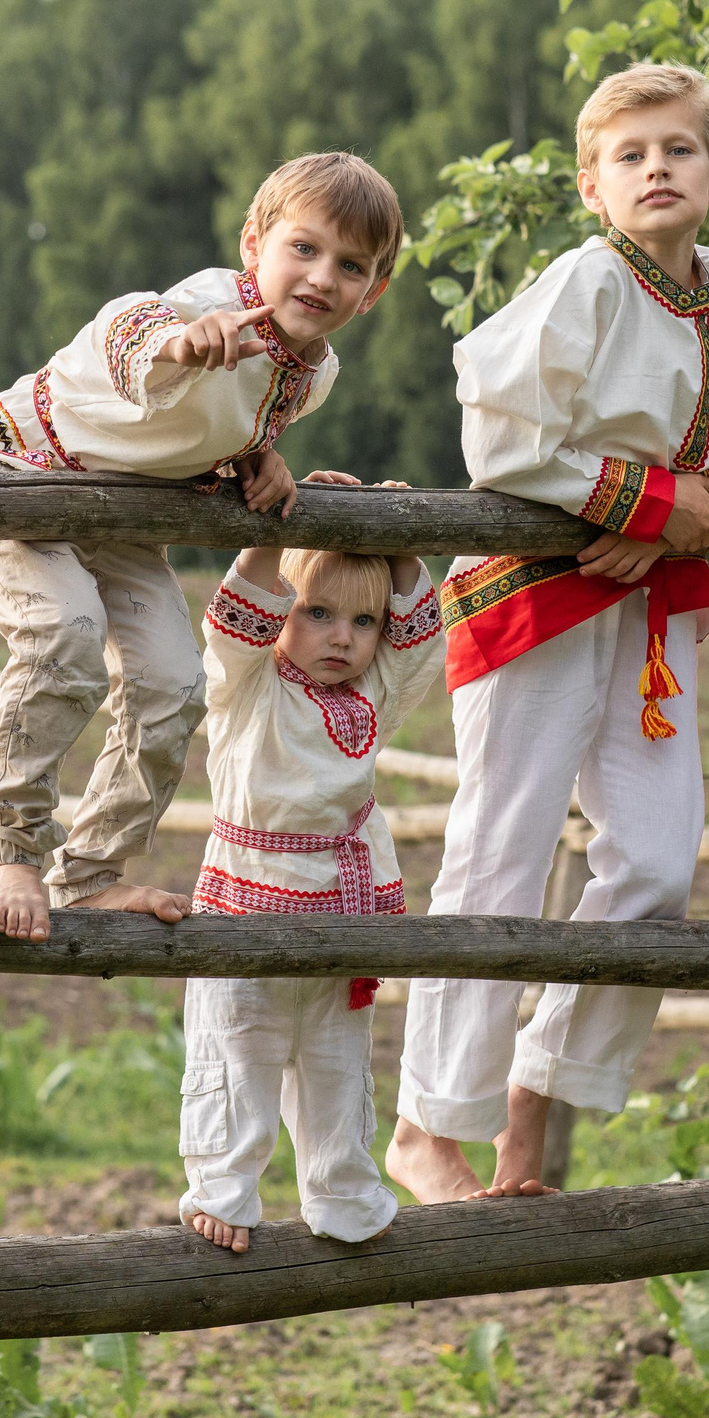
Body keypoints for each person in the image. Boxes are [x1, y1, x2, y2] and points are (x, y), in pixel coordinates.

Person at [387, 64, 709, 1205]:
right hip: (537, 586)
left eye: (676, 150)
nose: (655, 169)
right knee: (502, 847)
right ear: (592, 186)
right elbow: (503, 442)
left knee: (658, 866)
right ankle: (429, 1126)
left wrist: (681, 524)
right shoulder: (584, 280)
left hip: (649, 606)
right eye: (629, 156)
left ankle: (535, 1094)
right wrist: (644, 504)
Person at [0, 154, 402, 942]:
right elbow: (127, 327)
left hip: (120, 514)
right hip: (18, 475)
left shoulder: (314, 373)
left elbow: (220, 422)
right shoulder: (208, 305)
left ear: (373, 292)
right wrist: (181, 345)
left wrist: (257, 452)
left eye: (350, 265)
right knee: (66, 636)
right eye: (304, 248)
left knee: (175, 680)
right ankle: (10, 846)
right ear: (252, 243)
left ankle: (91, 871)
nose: (323, 276)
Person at [178, 506, 446, 1253]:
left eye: (364, 622)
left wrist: (397, 545)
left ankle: (344, 1192)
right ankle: (224, 1192)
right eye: (317, 611)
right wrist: (276, 526)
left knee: (335, 1062)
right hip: (248, 903)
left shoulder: (370, 699)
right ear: (278, 615)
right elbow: (231, 624)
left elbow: (420, 648)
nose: (342, 635)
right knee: (239, 1054)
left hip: (342, 913)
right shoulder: (247, 685)